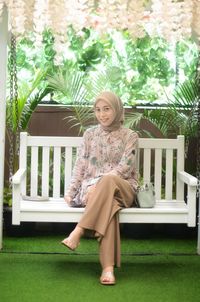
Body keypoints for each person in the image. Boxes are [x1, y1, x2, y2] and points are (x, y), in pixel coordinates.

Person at [61, 91, 138, 285]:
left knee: (107, 181)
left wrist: (101, 182)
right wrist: (71, 191)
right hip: (95, 192)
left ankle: (78, 231)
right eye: (97, 110)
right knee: (109, 207)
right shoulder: (89, 135)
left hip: (124, 188)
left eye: (107, 109)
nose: (102, 114)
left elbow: (124, 168)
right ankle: (108, 269)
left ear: (117, 109)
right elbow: (80, 164)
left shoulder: (130, 136)